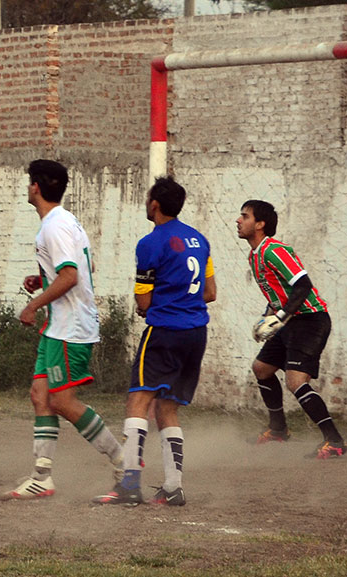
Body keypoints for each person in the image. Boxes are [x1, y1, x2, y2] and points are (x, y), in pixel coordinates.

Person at [0, 159, 123, 500]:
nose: (27, 188)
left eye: (29, 183)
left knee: (63, 401)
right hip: (59, 327)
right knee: (40, 395)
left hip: (71, 329)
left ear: (36, 187)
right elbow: (85, 265)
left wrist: (34, 303)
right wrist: (43, 278)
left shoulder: (53, 226)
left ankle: (122, 461)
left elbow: (71, 275)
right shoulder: (64, 221)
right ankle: (42, 477)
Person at [93, 177, 216, 507]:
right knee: (167, 407)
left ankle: (130, 484)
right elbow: (210, 292)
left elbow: (144, 304)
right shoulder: (200, 240)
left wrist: (157, 302)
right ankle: (173, 487)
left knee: (139, 399)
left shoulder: (150, 244)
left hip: (164, 330)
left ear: (155, 205)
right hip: (196, 333)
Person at [236, 200, 347, 459]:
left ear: (260, 224)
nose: (238, 221)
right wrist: (269, 315)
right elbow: (279, 291)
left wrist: (281, 316)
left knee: (296, 381)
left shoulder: (275, 250)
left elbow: (303, 286)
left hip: (311, 320)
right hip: (289, 321)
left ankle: (335, 441)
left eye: (245, 216)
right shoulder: (255, 255)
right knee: (261, 369)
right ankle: (278, 430)